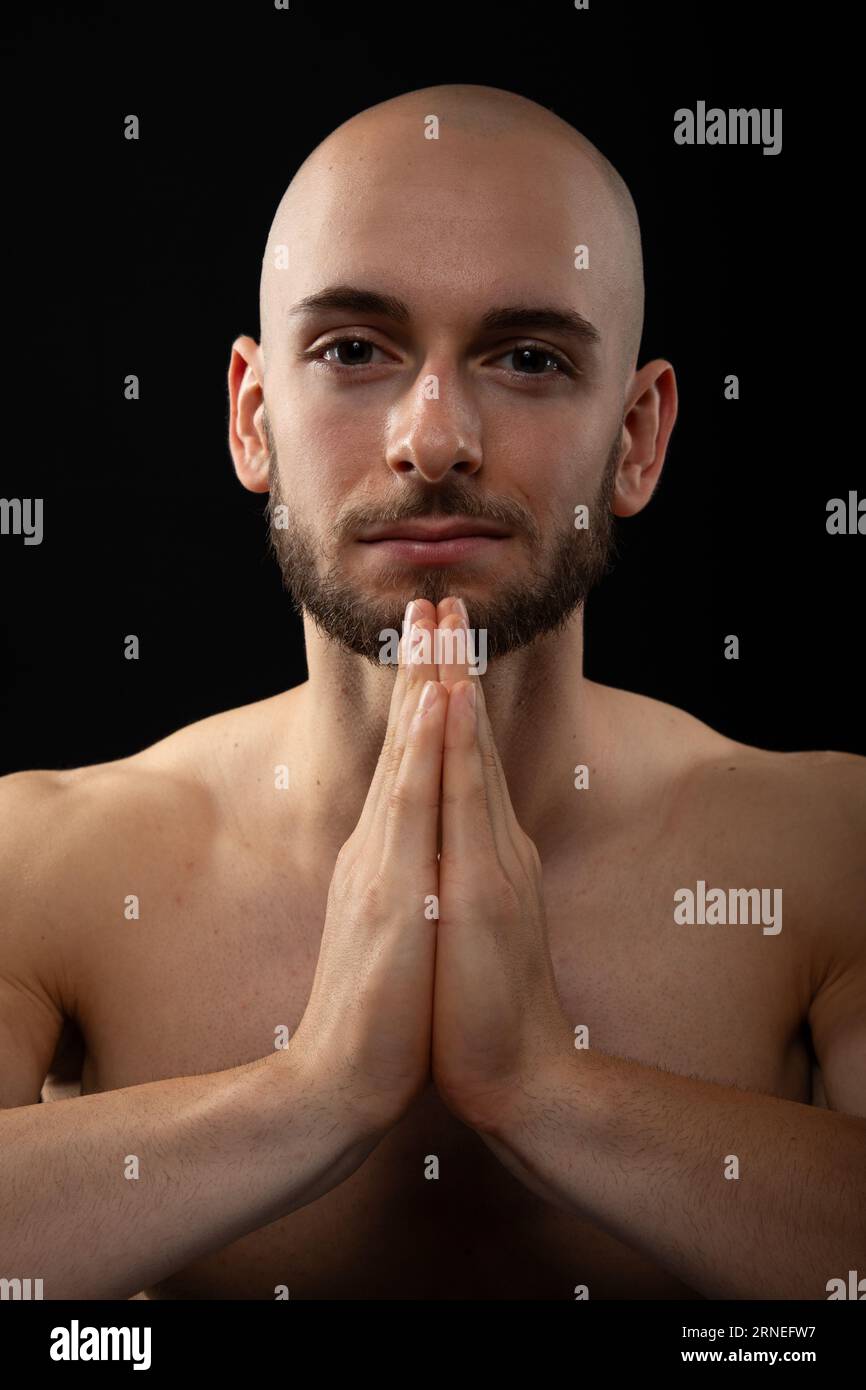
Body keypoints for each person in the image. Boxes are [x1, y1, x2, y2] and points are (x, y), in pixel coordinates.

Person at [1, 84, 863, 1302]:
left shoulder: (827, 849)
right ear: (253, 421)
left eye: (526, 358)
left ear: (636, 440)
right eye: (353, 350)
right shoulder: (49, 854)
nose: (435, 435)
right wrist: (311, 1093)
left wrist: (541, 1086)